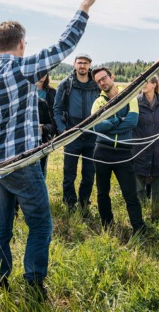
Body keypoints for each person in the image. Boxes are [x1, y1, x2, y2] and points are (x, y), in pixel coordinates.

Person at [0, 0, 104, 295]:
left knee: (0, 226)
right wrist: (84, 8)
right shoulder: (21, 68)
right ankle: (33, 285)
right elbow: (64, 45)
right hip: (21, 163)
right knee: (42, 225)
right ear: (20, 44)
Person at [91, 67, 146, 234]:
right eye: (99, 81)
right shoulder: (98, 102)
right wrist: (117, 120)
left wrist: (110, 122)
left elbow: (132, 121)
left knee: (130, 193)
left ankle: (139, 227)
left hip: (123, 152)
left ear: (112, 77)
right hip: (102, 152)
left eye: (104, 78)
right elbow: (97, 126)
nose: (102, 82)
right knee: (102, 193)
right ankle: (107, 225)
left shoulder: (129, 96)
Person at [53, 53, 100, 212]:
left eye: (85, 63)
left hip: (92, 135)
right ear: (74, 64)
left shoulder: (96, 84)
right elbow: (57, 110)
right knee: (69, 173)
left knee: (89, 173)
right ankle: (69, 203)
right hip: (72, 134)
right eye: (80, 62)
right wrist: (63, 130)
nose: (82, 66)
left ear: (89, 65)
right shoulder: (66, 84)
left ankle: (84, 202)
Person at [132, 76, 159, 220]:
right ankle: (141, 214)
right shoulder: (136, 101)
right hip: (139, 148)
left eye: (146, 82)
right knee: (139, 186)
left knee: (157, 185)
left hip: (157, 148)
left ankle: (156, 214)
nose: (142, 85)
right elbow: (130, 122)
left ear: (154, 85)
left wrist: (157, 133)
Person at [36, 74, 57, 177]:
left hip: (44, 133)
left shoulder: (52, 92)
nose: (41, 75)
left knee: (41, 165)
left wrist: (47, 129)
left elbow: (54, 115)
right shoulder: (24, 91)